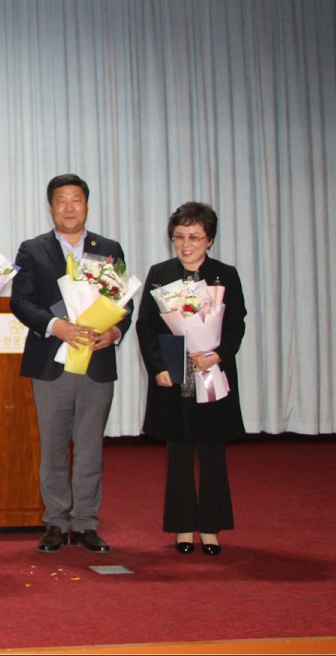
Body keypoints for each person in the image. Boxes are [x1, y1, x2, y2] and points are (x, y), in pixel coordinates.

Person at [11, 174, 131, 554]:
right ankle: (56, 522)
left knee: (90, 447)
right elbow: (21, 301)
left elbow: (125, 303)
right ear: (50, 207)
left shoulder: (108, 249)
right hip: (52, 362)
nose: (68, 207)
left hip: (96, 361)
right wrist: (55, 325)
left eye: (75, 199)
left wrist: (114, 332)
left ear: (86, 205)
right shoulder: (32, 249)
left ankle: (85, 523)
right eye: (61, 200)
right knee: (53, 447)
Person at [136, 202, 246, 556]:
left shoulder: (225, 275)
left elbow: (236, 323)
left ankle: (211, 528)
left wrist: (218, 355)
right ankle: (183, 526)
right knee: (179, 452)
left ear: (209, 240)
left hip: (211, 371)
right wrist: (158, 367)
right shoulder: (160, 273)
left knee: (212, 451)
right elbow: (146, 325)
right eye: (180, 236)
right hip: (175, 374)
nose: (186, 244)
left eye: (195, 237)